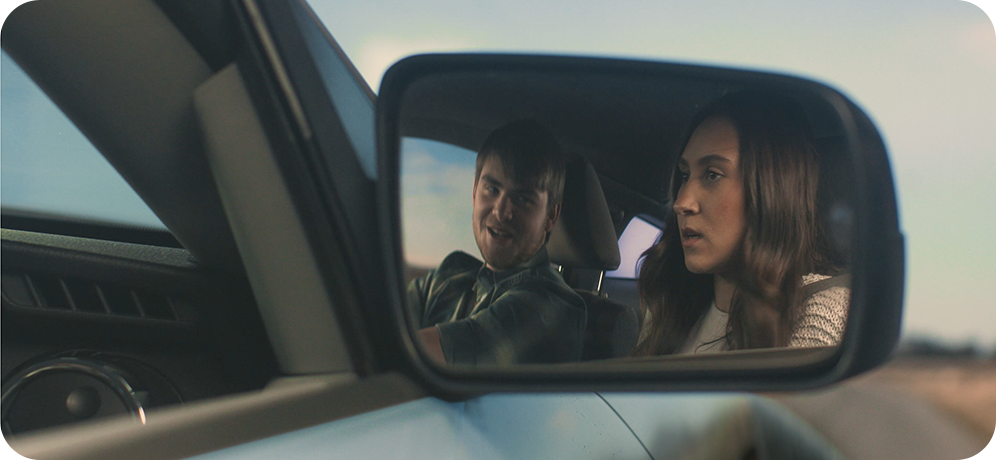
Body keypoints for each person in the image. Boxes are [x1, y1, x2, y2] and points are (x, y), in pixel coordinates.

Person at [632, 91, 850, 356]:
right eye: (685, 175)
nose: (682, 202)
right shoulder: (670, 307)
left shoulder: (824, 312)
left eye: (712, 174)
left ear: (771, 190)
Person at [409, 120, 586, 365]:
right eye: (492, 189)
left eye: (523, 198)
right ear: (474, 192)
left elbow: (410, 351)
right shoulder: (449, 274)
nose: (501, 212)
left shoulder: (553, 307)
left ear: (550, 217)